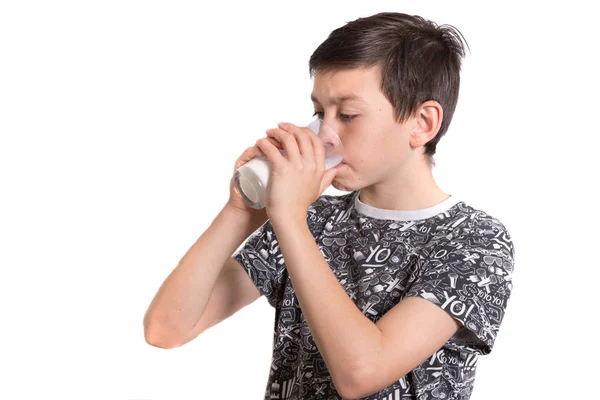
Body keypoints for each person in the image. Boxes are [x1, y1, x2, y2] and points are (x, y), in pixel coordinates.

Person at [143, 11, 515, 400]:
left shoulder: (475, 241)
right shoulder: (311, 219)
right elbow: (166, 329)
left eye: (348, 115)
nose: (327, 134)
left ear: (422, 122)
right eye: (321, 113)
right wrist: (240, 211)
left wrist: (287, 216)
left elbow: (362, 373)